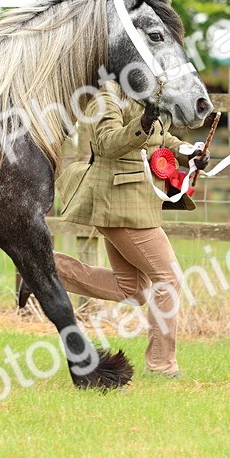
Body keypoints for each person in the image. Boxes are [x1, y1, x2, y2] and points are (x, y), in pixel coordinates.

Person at [19, 81, 209, 377]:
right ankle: (162, 365)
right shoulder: (105, 95)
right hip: (119, 204)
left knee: (132, 290)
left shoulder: (149, 92)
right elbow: (107, 144)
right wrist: (143, 122)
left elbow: (160, 139)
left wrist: (190, 152)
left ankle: (38, 266)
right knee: (168, 279)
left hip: (140, 203)